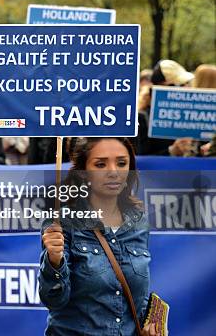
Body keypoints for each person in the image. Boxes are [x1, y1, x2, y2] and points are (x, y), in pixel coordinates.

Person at [39, 137, 158, 335]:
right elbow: (53, 299)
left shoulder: (139, 223)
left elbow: (139, 298)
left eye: (121, 163)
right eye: (100, 164)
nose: (113, 171)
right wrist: (54, 261)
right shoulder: (62, 223)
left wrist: (146, 327)